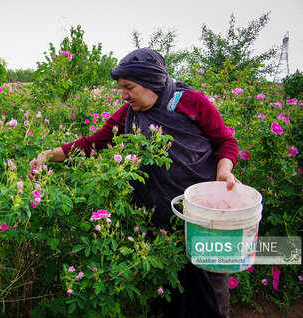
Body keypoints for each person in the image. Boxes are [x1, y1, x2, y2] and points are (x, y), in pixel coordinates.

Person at [28, 48, 239, 317]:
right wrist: (48, 155)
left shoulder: (192, 102)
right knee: (168, 292)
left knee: (210, 285)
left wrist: (224, 170)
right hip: (158, 218)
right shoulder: (128, 113)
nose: (124, 95)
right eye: (121, 88)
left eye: (129, 87)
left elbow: (225, 141)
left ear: (152, 83)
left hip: (203, 213)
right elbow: (94, 143)